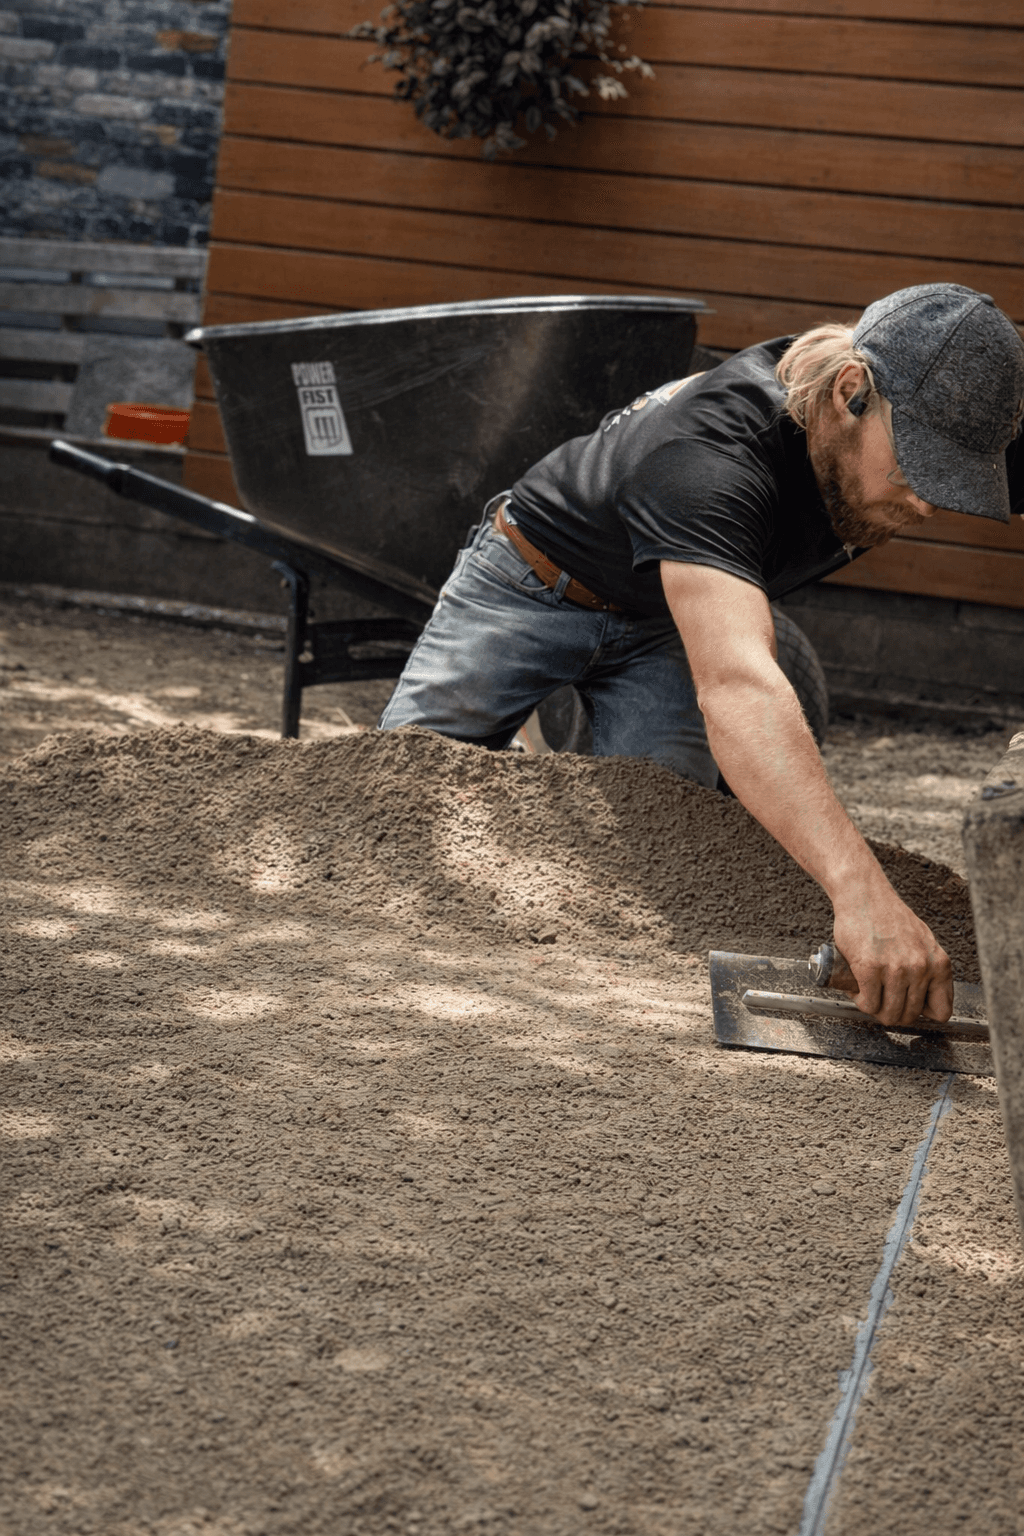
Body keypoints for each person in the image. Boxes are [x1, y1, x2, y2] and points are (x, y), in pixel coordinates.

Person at [380, 284, 1024, 1031]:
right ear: (851, 393)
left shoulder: (958, 411)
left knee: (670, 852)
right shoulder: (707, 460)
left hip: (664, 620)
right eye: (917, 472)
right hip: (530, 584)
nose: (926, 506)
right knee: (396, 800)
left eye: (952, 480)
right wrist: (863, 896)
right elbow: (740, 688)